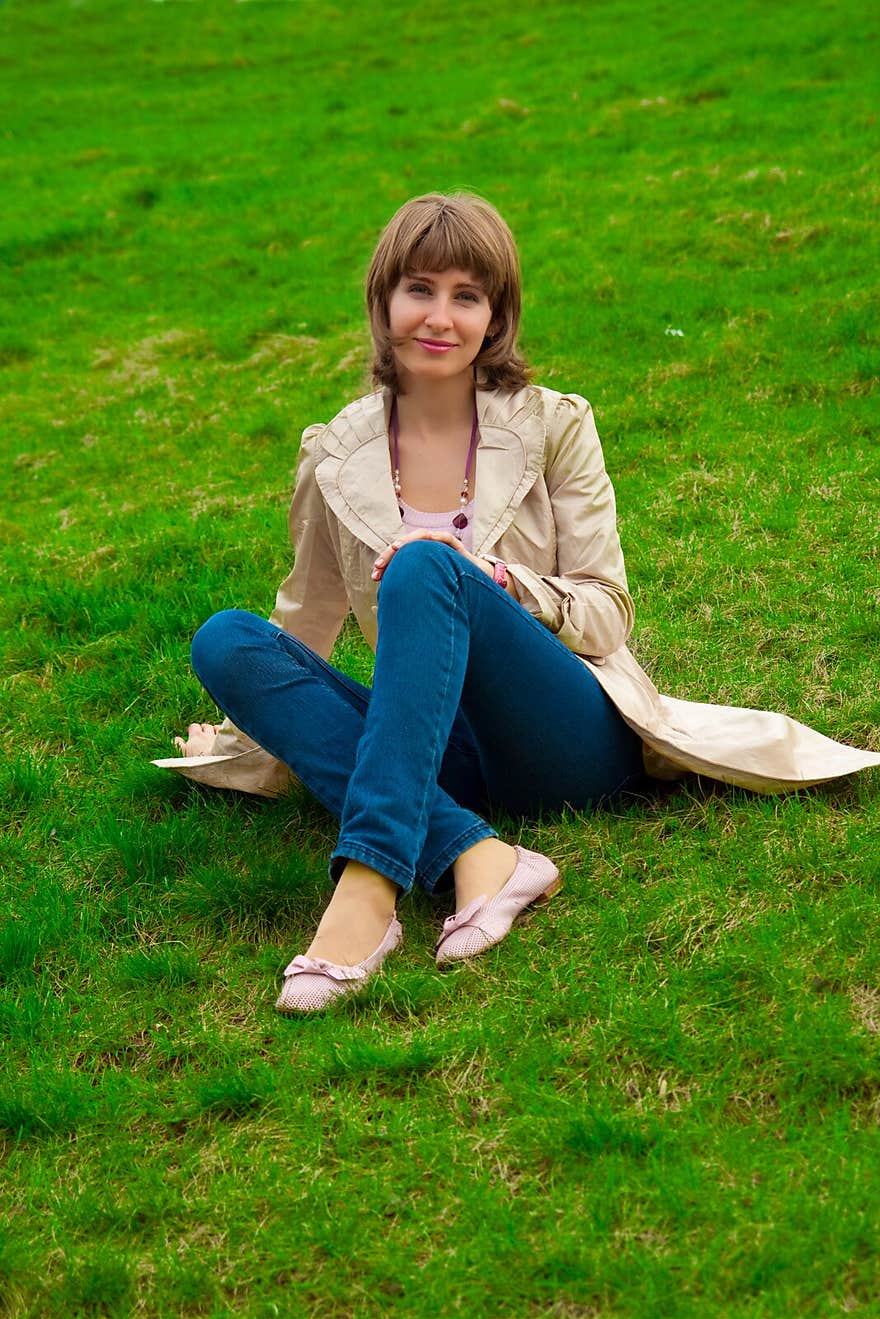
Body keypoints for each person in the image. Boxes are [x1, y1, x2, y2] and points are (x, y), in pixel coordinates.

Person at [153, 191, 880, 1016]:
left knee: (428, 570)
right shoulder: (336, 454)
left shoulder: (554, 425)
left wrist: (497, 580)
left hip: (564, 735)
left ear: (495, 316)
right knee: (226, 641)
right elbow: (305, 629)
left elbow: (607, 613)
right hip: (440, 749)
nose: (440, 316)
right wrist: (243, 737)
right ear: (383, 299)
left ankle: (367, 893)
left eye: (468, 296)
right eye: (419, 289)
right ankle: (480, 854)